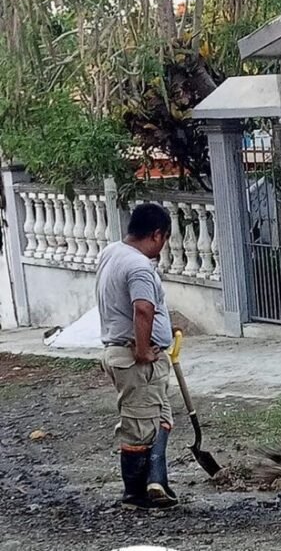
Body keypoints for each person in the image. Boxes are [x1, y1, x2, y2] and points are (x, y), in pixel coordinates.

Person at [96, 203, 177, 510]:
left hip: (123, 351)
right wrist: (143, 350)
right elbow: (142, 308)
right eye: (165, 238)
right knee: (139, 426)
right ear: (156, 234)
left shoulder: (112, 252)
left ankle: (157, 482)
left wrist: (163, 329)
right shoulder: (139, 266)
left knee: (161, 417)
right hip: (135, 359)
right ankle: (136, 494)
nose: (163, 246)